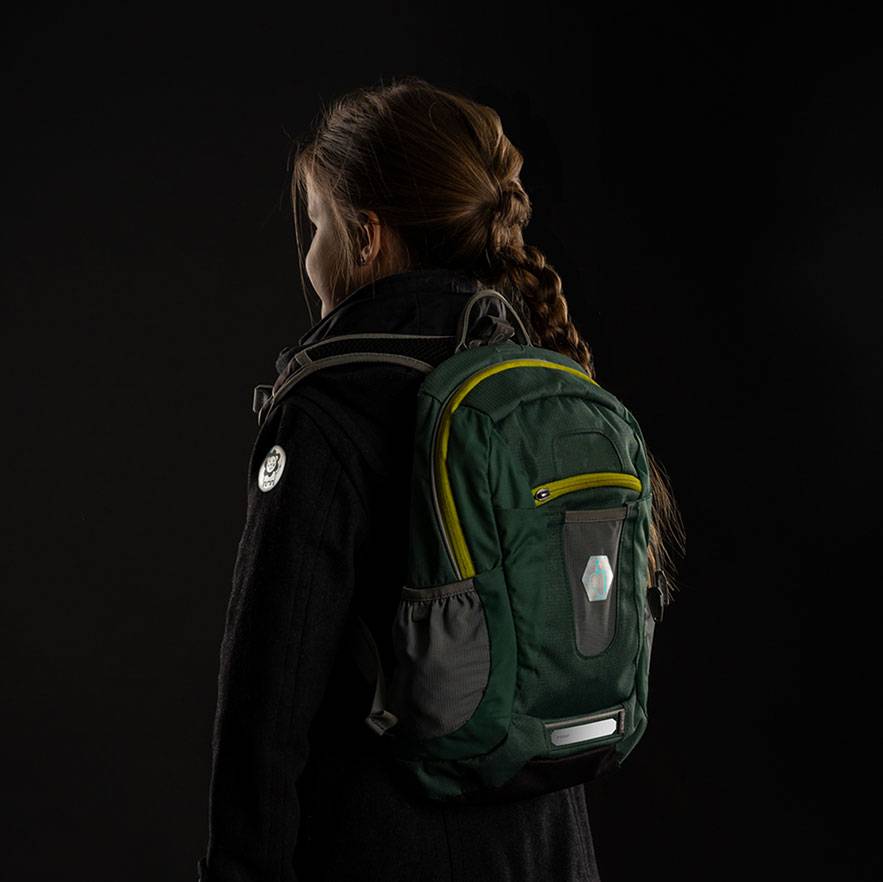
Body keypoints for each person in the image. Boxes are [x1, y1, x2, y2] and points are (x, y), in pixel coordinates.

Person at [196, 76, 684, 882]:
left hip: (386, 849)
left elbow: (268, 697)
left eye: (314, 227)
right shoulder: (542, 376)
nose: (306, 258)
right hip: (554, 849)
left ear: (366, 239)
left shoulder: (330, 403)